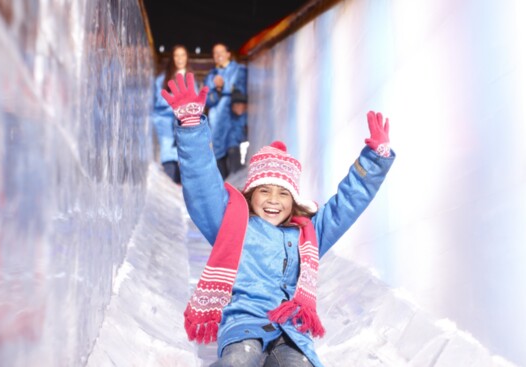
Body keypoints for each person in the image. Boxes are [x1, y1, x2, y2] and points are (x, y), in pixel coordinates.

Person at [161, 73, 395, 367]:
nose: (273, 200)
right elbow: (203, 186)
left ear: (293, 199)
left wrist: (374, 160)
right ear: (250, 194)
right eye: (264, 191)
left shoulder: (308, 234)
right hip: (244, 324)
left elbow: (344, 206)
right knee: (237, 363)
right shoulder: (233, 225)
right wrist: (192, 128)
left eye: (283, 193)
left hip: (291, 330)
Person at [151, 44, 196, 184]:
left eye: (183, 55)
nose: (180, 58)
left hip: (184, 125)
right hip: (165, 124)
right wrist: (174, 103)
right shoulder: (163, 79)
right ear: (172, 58)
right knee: (168, 155)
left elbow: (196, 103)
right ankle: (169, 189)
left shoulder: (191, 78)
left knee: (185, 158)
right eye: (176, 55)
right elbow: (157, 100)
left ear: (187, 57)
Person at [203, 43, 247, 180]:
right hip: (216, 124)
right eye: (215, 53)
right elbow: (207, 100)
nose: (218, 55)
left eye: (221, 52)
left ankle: (239, 192)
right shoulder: (210, 76)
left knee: (235, 153)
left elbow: (244, 90)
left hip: (234, 120)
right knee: (218, 159)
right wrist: (217, 90)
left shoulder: (240, 70)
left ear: (228, 54)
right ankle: (224, 192)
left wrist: (233, 95)